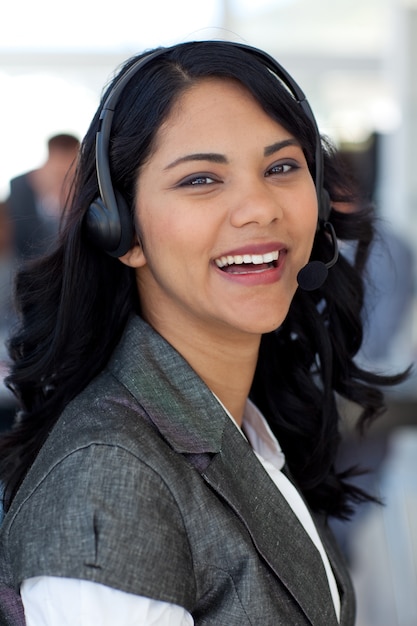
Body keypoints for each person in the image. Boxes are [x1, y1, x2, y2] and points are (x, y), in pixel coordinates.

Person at [0, 41, 407, 626]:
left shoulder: (247, 425)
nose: (259, 208)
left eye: (281, 167)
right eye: (200, 179)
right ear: (122, 231)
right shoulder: (111, 482)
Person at [7, 133, 80, 260]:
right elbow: (20, 239)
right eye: (59, 172)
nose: (64, 178)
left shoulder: (80, 185)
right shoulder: (19, 186)